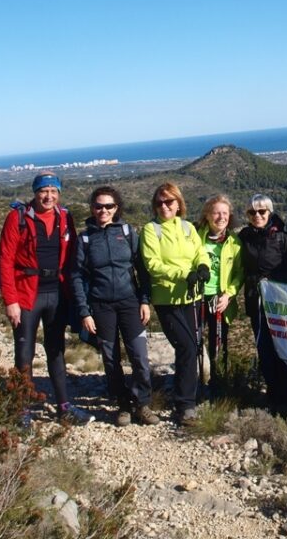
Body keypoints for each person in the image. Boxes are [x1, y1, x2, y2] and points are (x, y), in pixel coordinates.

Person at [0, 172, 93, 426]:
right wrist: (10, 300)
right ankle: (23, 411)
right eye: (43, 191)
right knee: (24, 353)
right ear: (35, 192)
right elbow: (5, 260)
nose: (48, 196)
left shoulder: (65, 217)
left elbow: (73, 255)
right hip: (27, 295)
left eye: (53, 191)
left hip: (57, 293)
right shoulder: (17, 218)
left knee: (56, 351)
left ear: (59, 193)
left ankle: (64, 407)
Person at [73, 186, 159, 427]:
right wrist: (84, 312)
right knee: (111, 359)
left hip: (129, 302)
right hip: (101, 306)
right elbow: (77, 276)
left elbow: (141, 269)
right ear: (92, 208)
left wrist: (144, 300)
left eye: (109, 206)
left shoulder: (127, 232)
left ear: (116, 208)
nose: (104, 210)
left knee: (139, 356)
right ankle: (122, 405)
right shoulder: (85, 239)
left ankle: (142, 403)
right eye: (99, 206)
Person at [140, 182, 210, 426]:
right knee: (187, 346)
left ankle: (186, 396)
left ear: (179, 203)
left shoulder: (188, 227)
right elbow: (153, 264)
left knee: (191, 347)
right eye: (159, 202)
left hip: (192, 297)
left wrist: (203, 267)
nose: (164, 206)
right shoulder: (151, 230)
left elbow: (200, 252)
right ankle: (185, 405)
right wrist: (184, 274)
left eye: (169, 201)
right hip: (167, 299)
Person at [238, 193, 287, 415]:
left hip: (281, 305)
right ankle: (273, 396)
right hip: (255, 304)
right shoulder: (244, 238)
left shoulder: (283, 239)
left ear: (270, 212)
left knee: (283, 350)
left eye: (262, 211)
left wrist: (273, 282)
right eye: (252, 212)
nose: (257, 215)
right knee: (264, 349)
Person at [196, 194, 243, 393]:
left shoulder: (234, 241)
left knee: (218, 343)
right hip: (196, 296)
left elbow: (240, 273)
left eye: (225, 213)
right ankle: (195, 383)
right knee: (194, 341)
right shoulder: (196, 236)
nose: (221, 217)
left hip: (219, 298)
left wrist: (229, 294)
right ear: (207, 215)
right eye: (216, 213)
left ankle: (218, 384)